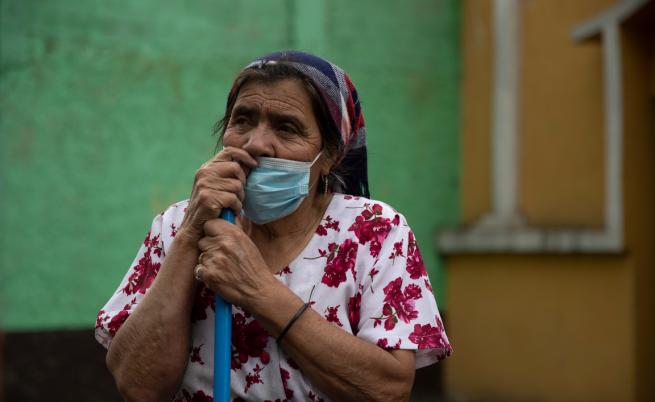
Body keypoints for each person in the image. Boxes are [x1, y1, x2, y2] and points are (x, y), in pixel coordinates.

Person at [95, 50, 452, 402]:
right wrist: (191, 236)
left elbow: (387, 392)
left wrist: (258, 291)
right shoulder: (177, 225)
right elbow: (138, 387)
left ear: (329, 155)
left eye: (286, 127)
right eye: (243, 120)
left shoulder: (373, 231)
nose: (256, 143)